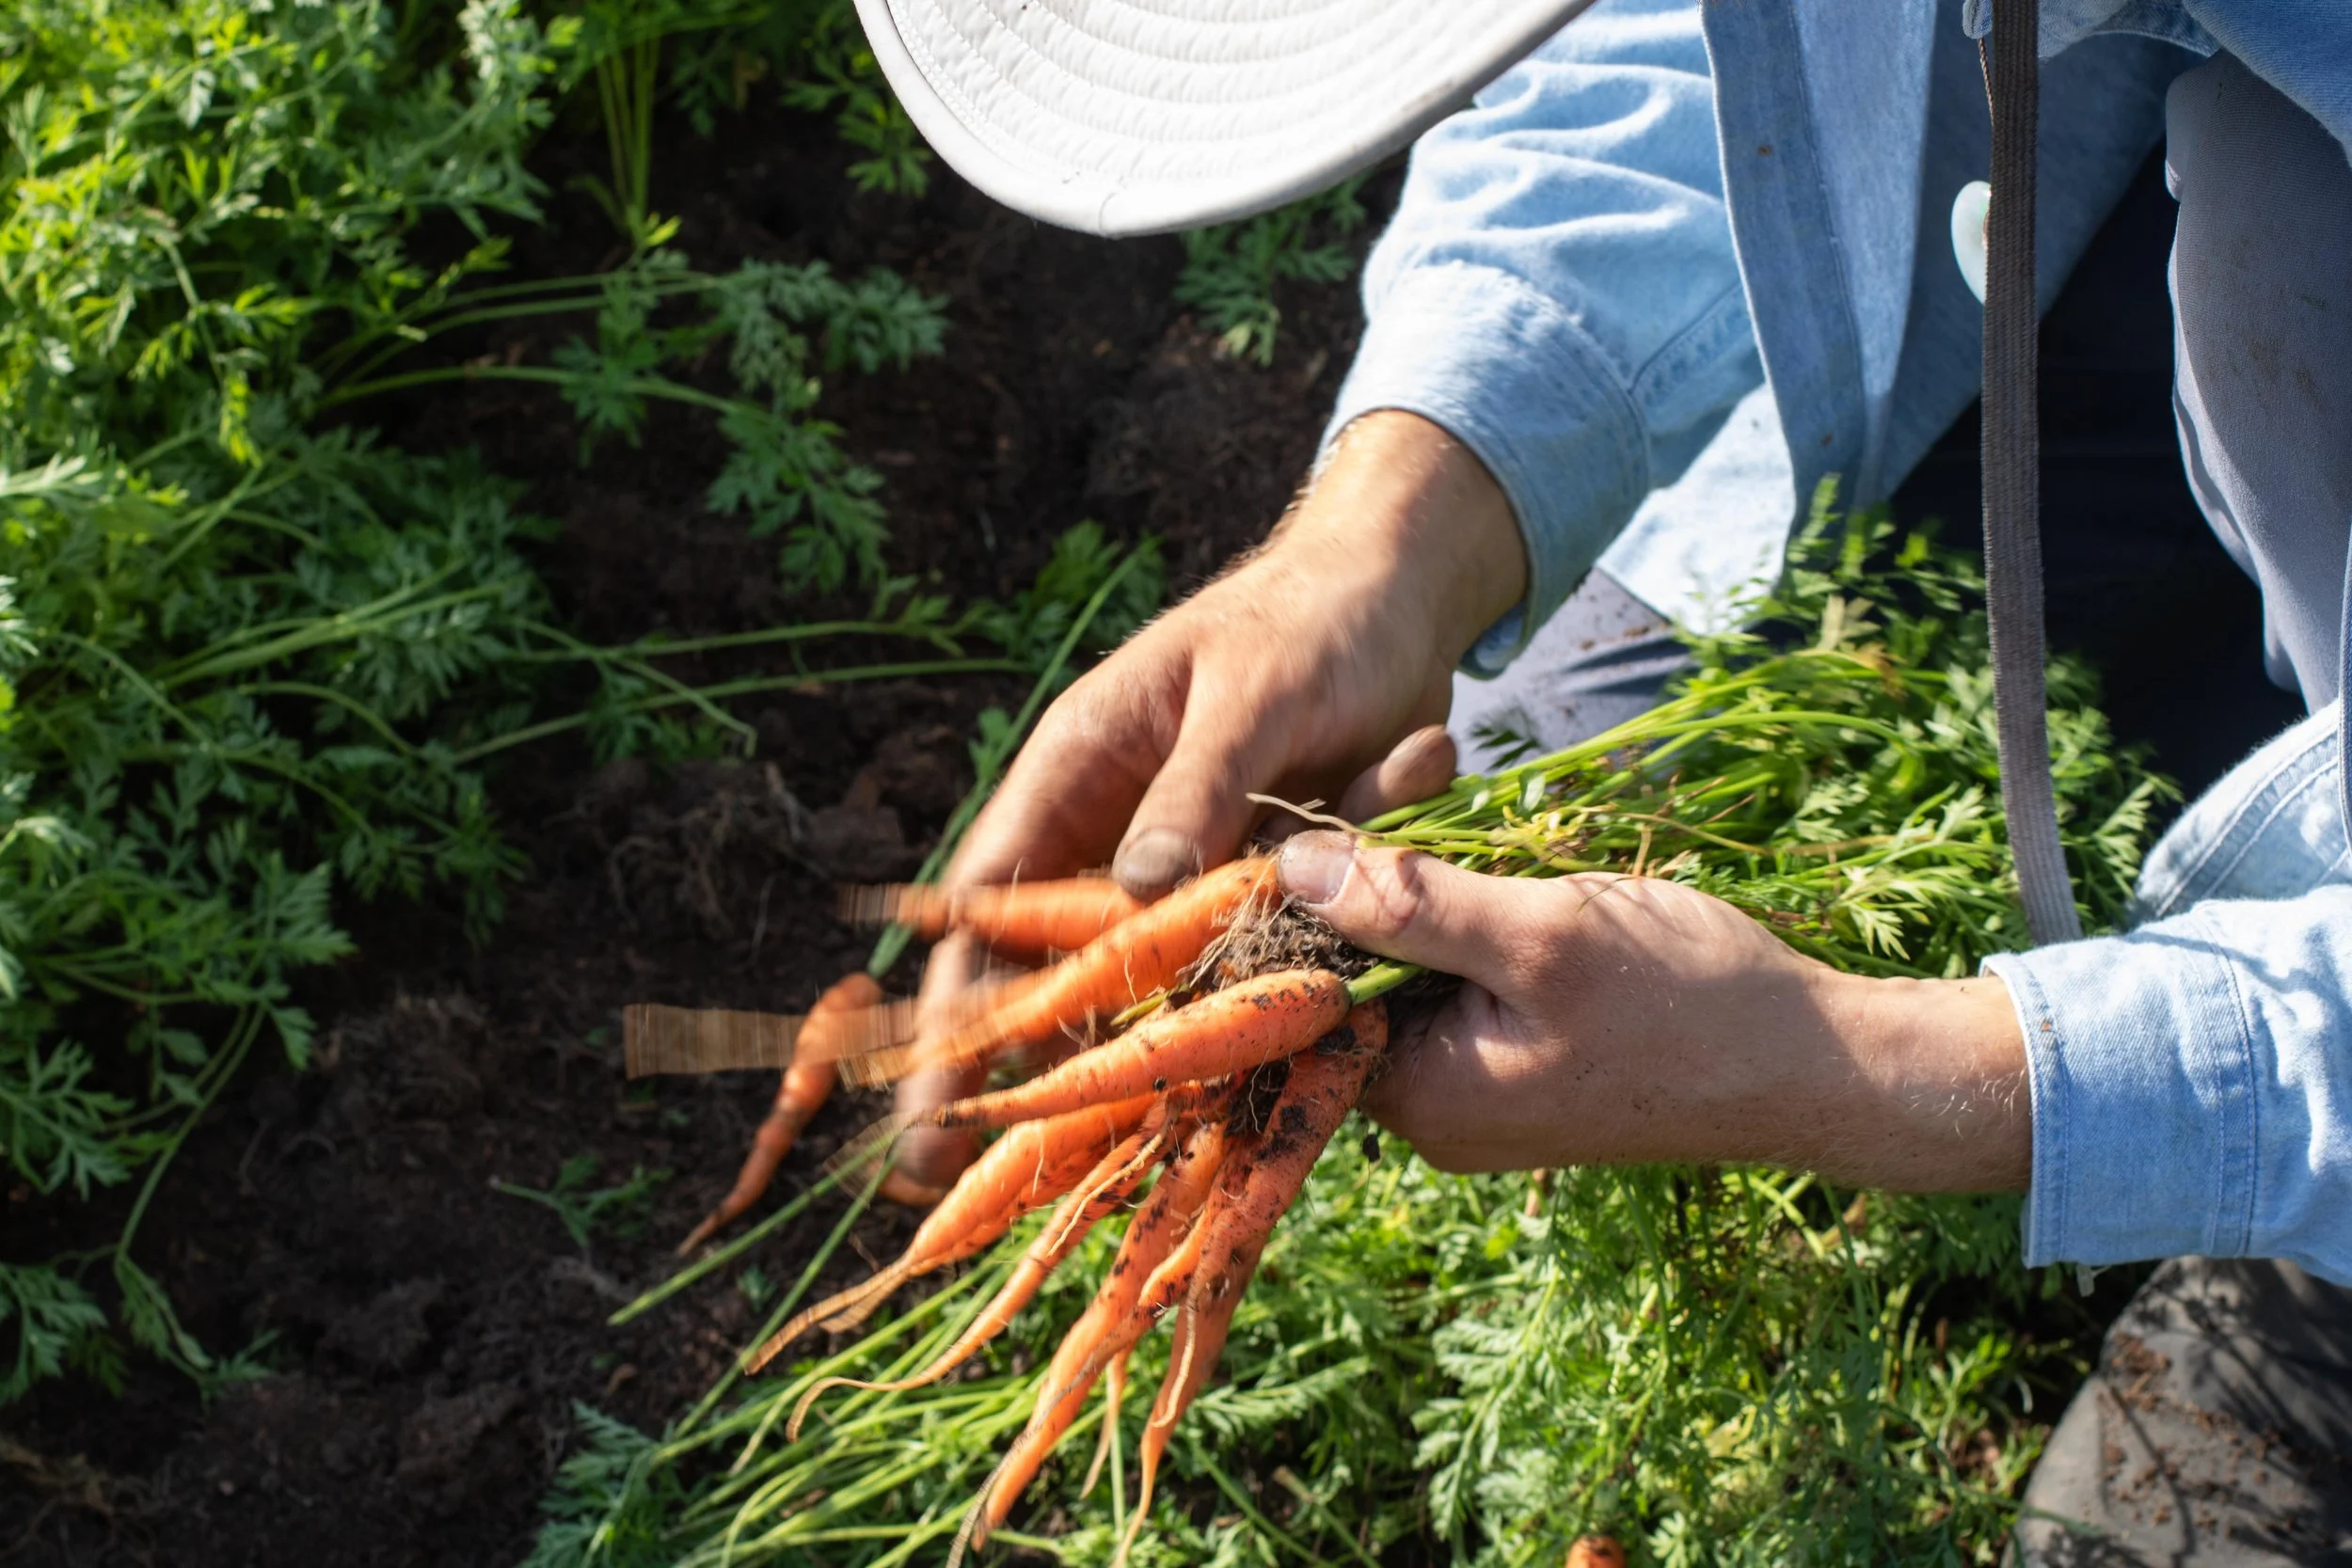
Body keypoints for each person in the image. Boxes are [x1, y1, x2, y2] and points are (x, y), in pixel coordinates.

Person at [856, 0, 2352, 1559]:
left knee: (2277, 207)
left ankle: (2324, 1255)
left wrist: (1875, 1066)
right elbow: (1684, 41)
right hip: (2094, 198)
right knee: (1542, 730)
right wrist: (1392, 532)